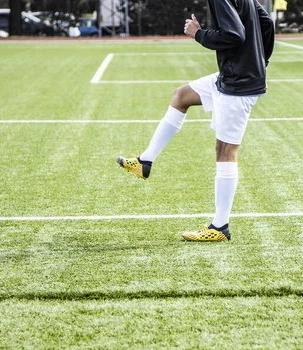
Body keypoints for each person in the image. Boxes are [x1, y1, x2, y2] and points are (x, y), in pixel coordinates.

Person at [117, 0, 274, 242]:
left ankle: (220, 226)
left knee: (226, 151)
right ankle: (144, 161)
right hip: (231, 76)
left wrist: (198, 34)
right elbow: (267, 23)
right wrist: (261, 63)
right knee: (181, 96)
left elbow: (234, 35)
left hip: (239, 85)